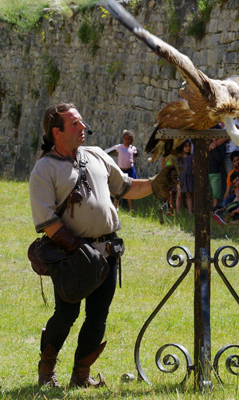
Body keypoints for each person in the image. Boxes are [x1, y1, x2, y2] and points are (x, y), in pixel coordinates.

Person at [29, 103, 175, 388]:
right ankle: (47, 371)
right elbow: (47, 222)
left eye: (81, 122)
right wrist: (80, 251)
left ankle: (80, 377)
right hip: (70, 258)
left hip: (107, 253)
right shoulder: (44, 169)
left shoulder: (96, 155)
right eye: (74, 124)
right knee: (67, 314)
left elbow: (127, 187)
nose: (83, 127)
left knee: (98, 317)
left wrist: (156, 184)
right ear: (56, 132)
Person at [104, 129, 138, 212]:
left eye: (129, 139)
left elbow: (133, 158)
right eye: (126, 138)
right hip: (121, 170)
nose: (127, 140)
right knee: (118, 187)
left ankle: (131, 208)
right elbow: (106, 151)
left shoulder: (133, 148)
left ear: (132, 140)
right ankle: (116, 207)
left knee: (130, 188)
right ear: (123, 139)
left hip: (130, 170)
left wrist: (133, 166)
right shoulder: (119, 147)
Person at [176, 139, 194, 215]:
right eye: (186, 146)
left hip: (188, 178)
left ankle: (190, 211)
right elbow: (176, 170)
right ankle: (178, 212)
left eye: (189, 146)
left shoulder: (191, 157)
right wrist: (177, 180)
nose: (188, 148)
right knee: (179, 195)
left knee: (189, 195)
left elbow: (193, 168)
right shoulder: (178, 158)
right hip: (180, 179)